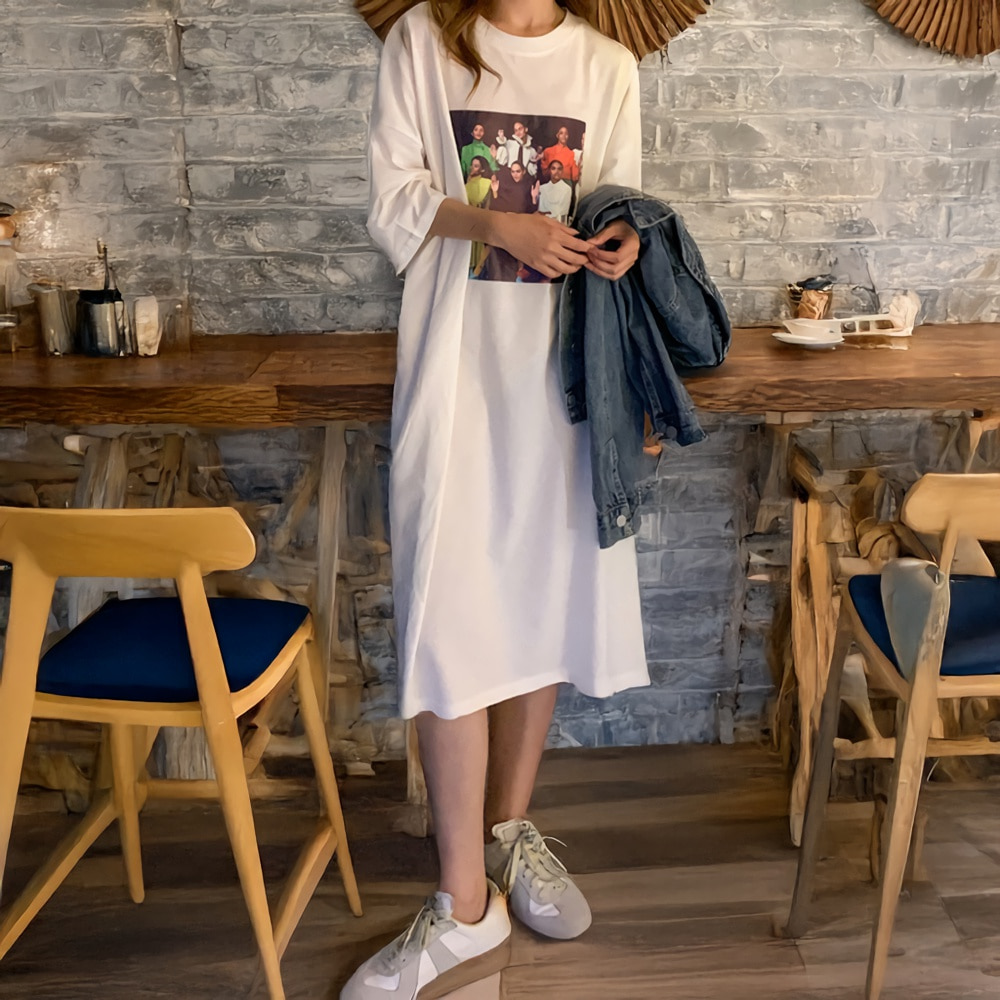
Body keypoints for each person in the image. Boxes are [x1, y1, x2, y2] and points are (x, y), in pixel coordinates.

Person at [350, 1, 646, 996]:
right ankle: (463, 903)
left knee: (537, 602)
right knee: (450, 616)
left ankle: (510, 833)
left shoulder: (607, 64)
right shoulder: (424, 42)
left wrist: (621, 240)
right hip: (455, 371)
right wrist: (493, 222)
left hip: (563, 378)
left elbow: (621, 204)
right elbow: (394, 192)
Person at [537, 157, 573, 223]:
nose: (556, 172)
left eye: (559, 169)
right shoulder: (542, 188)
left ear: (562, 171)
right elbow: (541, 209)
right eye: (553, 168)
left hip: (558, 223)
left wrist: (547, 214)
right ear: (549, 171)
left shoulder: (567, 189)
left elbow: (562, 211)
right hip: (542, 222)